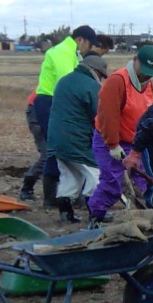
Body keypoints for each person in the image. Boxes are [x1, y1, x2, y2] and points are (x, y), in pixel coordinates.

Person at [24, 24, 101, 202]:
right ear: (80, 40)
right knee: (56, 149)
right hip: (49, 102)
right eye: (89, 44)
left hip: (57, 102)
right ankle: (50, 197)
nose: (89, 49)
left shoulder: (72, 53)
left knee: (61, 149)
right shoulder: (62, 53)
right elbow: (69, 83)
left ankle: (66, 195)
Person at [88, 43, 153, 221]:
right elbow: (107, 115)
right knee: (112, 184)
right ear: (135, 60)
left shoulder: (148, 84)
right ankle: (96, 215)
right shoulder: (117, 81)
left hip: (135, 142)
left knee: (147, 179)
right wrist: (113, 145)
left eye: (150, 73)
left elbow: (147, 114)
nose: (146, 76)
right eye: (144, 71)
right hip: (109, 140)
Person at [46, 53, 109, 222]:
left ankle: (66, 214)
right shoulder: (91, 86)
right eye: (101, 75)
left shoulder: (64, 81)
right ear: (95, 71)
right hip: (76, 139)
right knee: (96, 173)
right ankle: (96, 212)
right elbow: (99, 116)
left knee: (70, 175)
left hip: (56, 138)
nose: (101, 79)